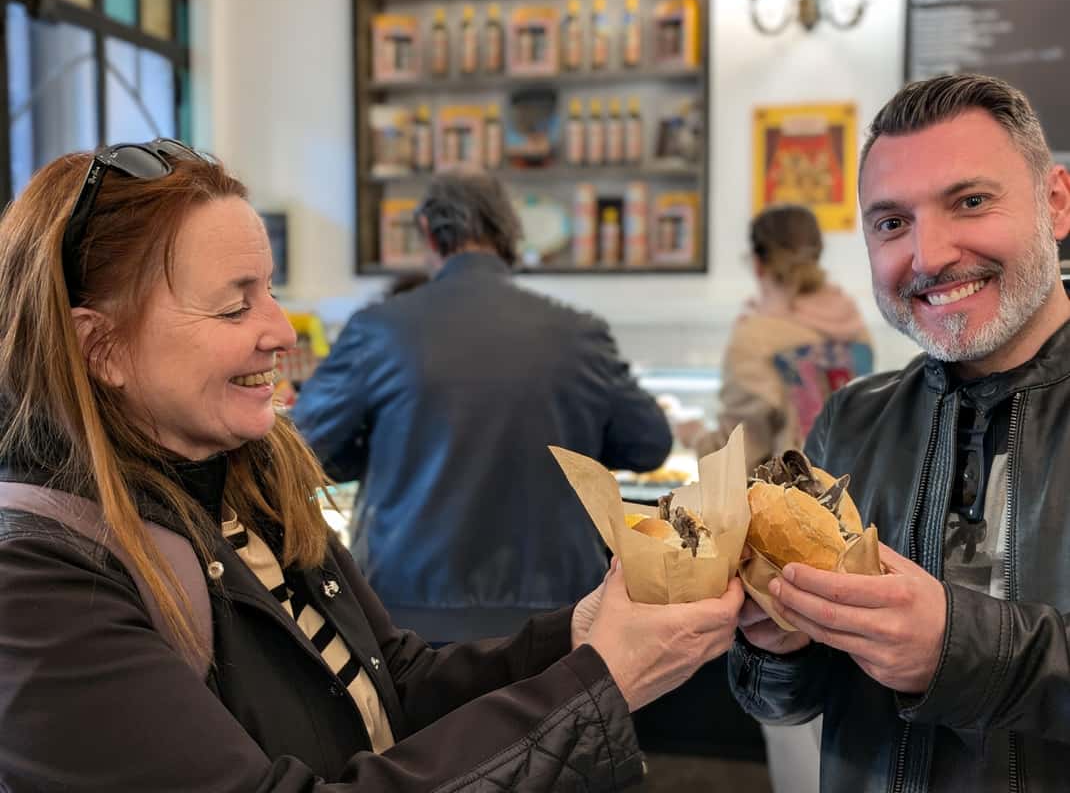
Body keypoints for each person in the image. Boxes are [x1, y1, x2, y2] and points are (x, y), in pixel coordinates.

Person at [0, 141, 746, 791]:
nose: (280, 330)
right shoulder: (40, 583)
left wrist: (577, 636)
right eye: (234, 307)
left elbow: (395, 683)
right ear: (101, 349)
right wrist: (596, 683)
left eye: (269, 291)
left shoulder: (252, 485)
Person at [728, 74, 1070, 792]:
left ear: (1056, 202)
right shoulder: (852, 421)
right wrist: (778, 646)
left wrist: (955, 648)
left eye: (970, 202)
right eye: (891, 223)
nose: (929, 255)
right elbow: (787, 701)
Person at [292, 170, 673, 642]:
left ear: (428, 231)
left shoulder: (379, 329)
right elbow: (649, 445)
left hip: (409, 614)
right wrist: (569, 436)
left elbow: (301, 449)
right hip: (560, 614)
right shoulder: (579, 333)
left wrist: (380, 450)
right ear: (510, 233)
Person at [675, 204, 872, 473]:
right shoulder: (852, 322)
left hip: (793, 493)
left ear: (758, 264)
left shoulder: (756, 337)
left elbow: (735, 461)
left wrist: (694, 436)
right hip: (855, 486)